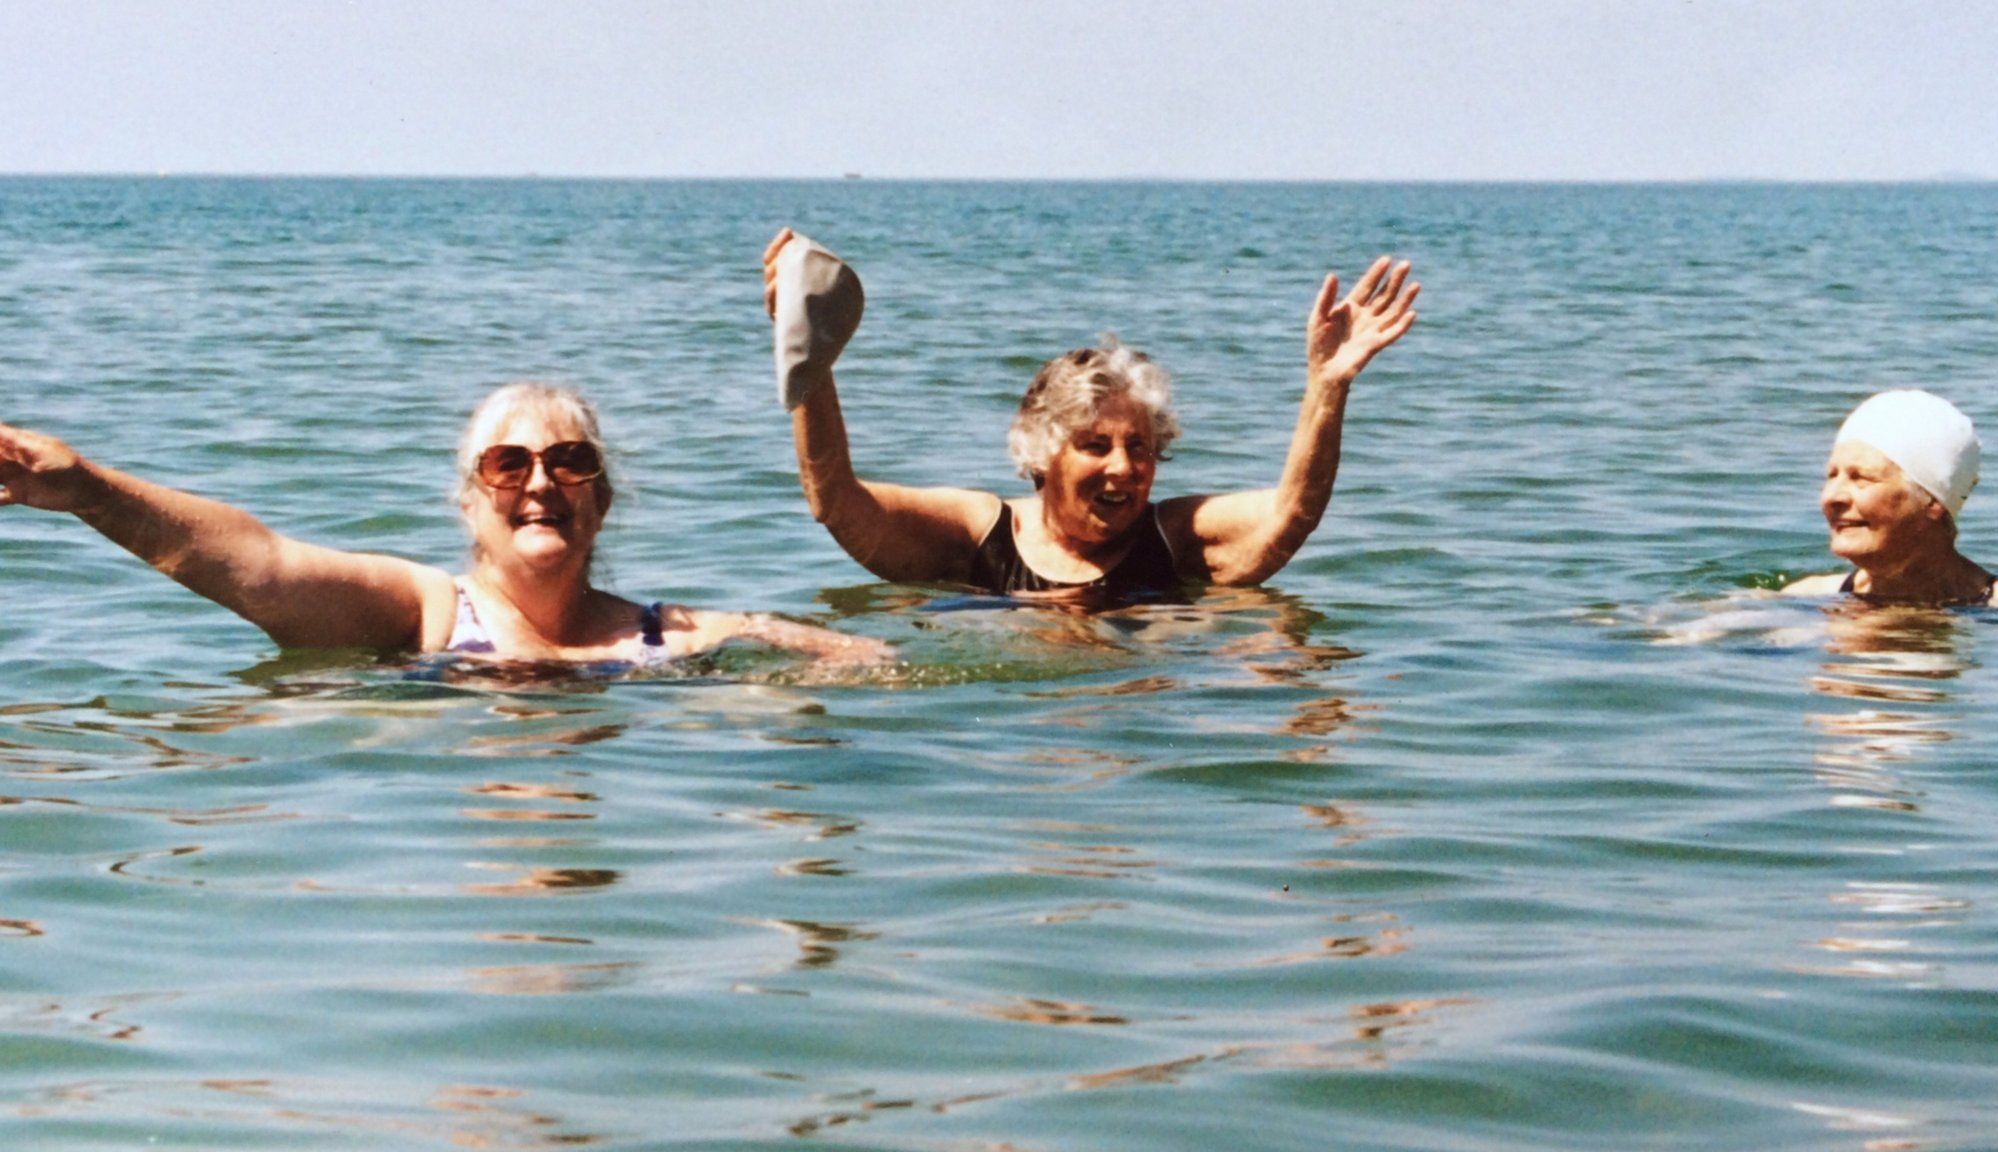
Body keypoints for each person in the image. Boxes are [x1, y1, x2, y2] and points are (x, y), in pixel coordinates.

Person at [0, 382, 889, 665]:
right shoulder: (432, 612)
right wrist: (89, 492)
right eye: (510, 465)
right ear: (471, 500)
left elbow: (848, 661)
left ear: (602, 499)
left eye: (570, 462)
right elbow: (260, 564)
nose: (541, 482)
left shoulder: (664, 638)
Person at [760, 229, 1419, 601]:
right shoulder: (977, 534)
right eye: (1095, 445)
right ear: (1041, 453)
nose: (1124, 467)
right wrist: (815, 369)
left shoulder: (1174, 538)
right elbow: (837, 502)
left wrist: (1327, 385)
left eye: (1141, 447)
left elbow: (1289, 513)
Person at [1781, 389, 1998, 609]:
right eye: (1831, 475)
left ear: (1933, 500)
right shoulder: (1802, 602)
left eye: (1861, 477)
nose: (1831, 497)